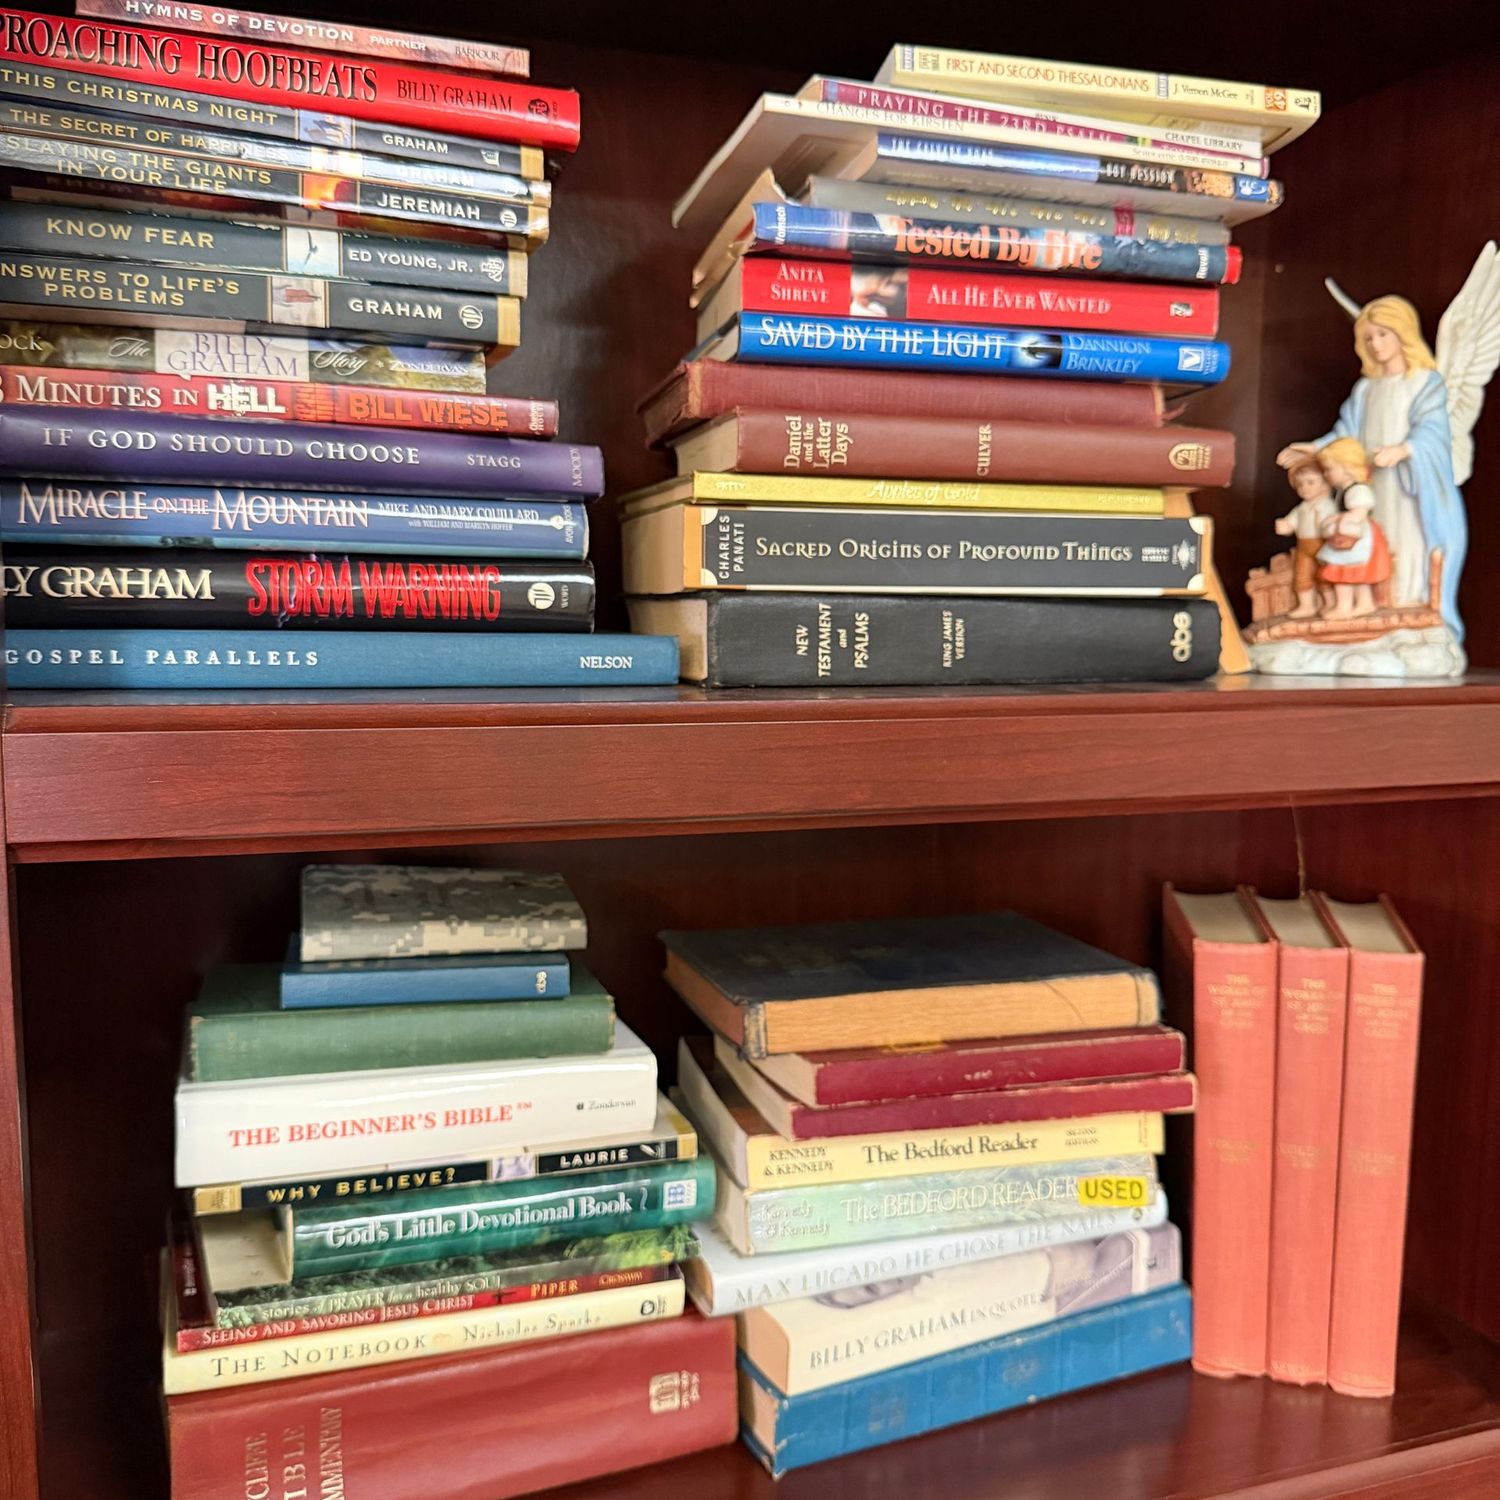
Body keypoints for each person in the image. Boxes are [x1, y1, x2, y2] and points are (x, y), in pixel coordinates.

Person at [1277, 296, 1465, 634]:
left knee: (1405, 539)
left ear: (1402, 333)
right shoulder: (1366, 389)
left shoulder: (1424, 382)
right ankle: (1369, 601)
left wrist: (1404, 449)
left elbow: (1434, 429)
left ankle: (1406, 599)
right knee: (1366, 542)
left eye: (1383, 334)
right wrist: (1316, 447)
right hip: (1367, 484)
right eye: (1368, 337)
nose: (1376, 344)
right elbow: (1346, 432)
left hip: (1407, 485)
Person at [1315, 438, 1392, 620]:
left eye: (1329, 469)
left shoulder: (1358, 491)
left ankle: (1345, 607)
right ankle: (1364, 603)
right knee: (1354, 572)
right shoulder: (1343, 491)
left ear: (1346, 468)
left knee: (1343, 570)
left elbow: (1359, 514)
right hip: (1350, 535)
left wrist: (1338, 519)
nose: (1326, 474)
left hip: (1356, 538)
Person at [1273, 457, 1340, 617]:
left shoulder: (1327, 505)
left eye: (1310, 482)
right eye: (1300, 484)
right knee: (1302, 575)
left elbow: (1331, 525)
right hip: (1303, 546)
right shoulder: (1301, 508)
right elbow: (1292, 522)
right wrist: (1285, 526)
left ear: (1325, 484)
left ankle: (1330, 603)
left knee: (1324, 575)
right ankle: (1306, 605)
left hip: (1322, 545)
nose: (1304, 488)